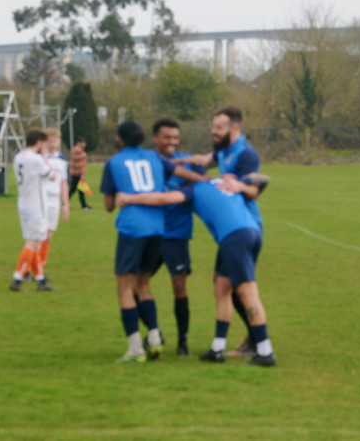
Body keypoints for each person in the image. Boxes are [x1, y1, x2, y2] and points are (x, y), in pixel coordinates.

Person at [116, 174, 276, 367]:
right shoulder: (220, 182)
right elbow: (264, 178)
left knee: (247, 293)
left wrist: (129, 198)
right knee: (222, 288)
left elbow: (164, 198)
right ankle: (217, 349)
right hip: (251, 232)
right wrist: (242, 185)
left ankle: (265, 351)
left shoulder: (194, 190)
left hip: (235, 237)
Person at [100, 120, 205, 363]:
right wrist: (204, 182)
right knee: (143, 285)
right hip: (158, 228)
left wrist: (122, 195)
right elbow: (183, 173)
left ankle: (135, 347)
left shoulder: (113, 162)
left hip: (132, 228)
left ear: (119, 139)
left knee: (125, 288)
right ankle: (155, 337)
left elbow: (107, 206)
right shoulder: (155, 159)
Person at [185, 105, 263, 357]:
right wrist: (167, 160)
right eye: (213, 126)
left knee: (239, 287)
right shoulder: (224, 151)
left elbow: (256, 190)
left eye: (219, 127)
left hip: (245, 225)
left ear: (234, 128)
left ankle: (259, 343)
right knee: (222, 285)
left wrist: (239, 185)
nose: (213, 131)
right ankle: (222, 346)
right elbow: (201, 160)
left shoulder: (246, 154)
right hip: (231, 228)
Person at [149, 118, 209, 357]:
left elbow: (206, 182)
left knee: (179, 287)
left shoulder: (190, 163)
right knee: (135, 286)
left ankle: (182, 342)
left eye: (175, 137)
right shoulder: (147, 162)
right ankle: (155, 332)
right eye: (167, 137)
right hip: (151, 233)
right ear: (156, 139)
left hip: (177, 235)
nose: (172, 142)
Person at [9, 128, 58, 292]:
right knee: (32, 242)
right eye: (43, 144)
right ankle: (17, 279)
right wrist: (44, 155)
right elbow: (52, 175)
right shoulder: (36, 159)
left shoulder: (18, 157)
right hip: (36, 205)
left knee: (36, 243)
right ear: (38, 142)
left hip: (23, 203)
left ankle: (40, 281)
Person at [40, 128, 70, 278]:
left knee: (48, 234)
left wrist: (66, 204)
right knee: (39, 233)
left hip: (54, 200)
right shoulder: (41, 157)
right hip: (41, 199)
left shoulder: (62, 159)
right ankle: (33, 269)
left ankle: (40, 267)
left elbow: (63, 182)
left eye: (55, 140)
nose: (53, 143)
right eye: (50, 140)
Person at [68, 137, 91, 210]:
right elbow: (80, 164)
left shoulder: (74, 149)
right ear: (78, 142)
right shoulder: (79, 151)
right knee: (80, 189)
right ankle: (84, 205)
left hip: (74, 172)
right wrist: (82, 175)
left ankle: (66, 203)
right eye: (83, 142)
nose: (84, 144)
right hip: (78, 173)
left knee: (74, 189)